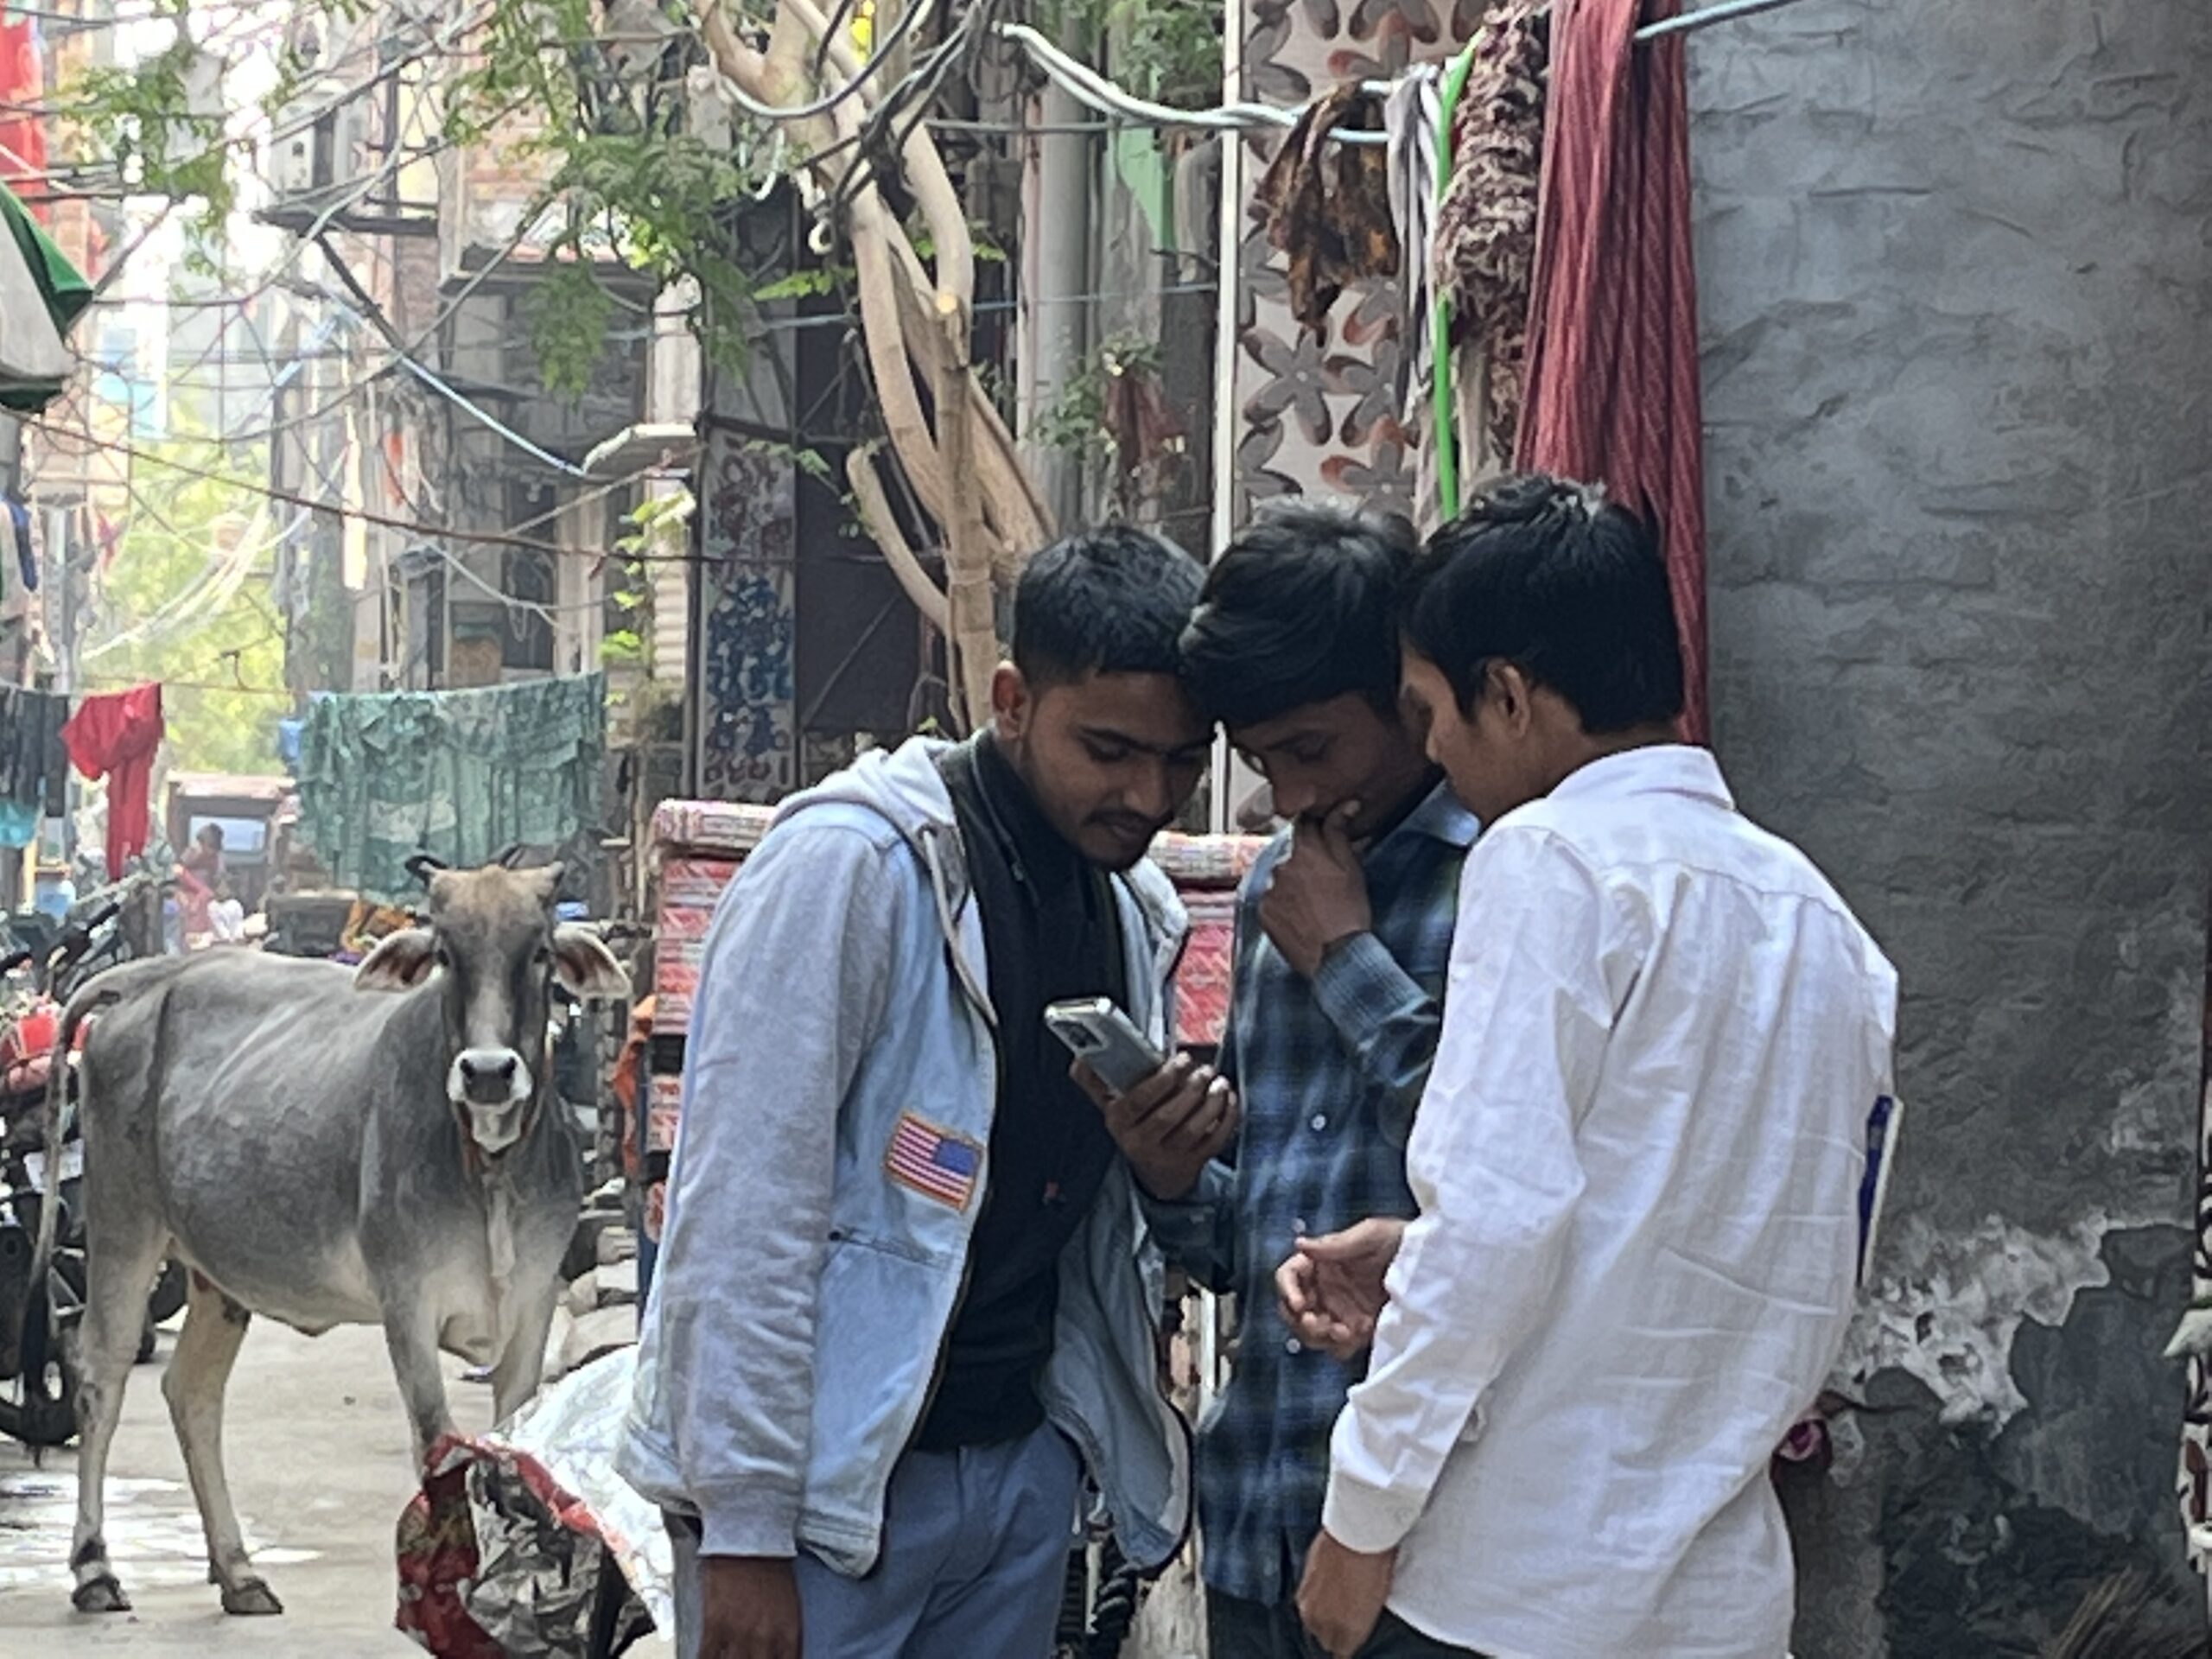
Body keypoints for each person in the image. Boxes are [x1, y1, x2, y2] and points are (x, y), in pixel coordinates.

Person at [1284, 475, 1898, 1659]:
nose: (1437, 758)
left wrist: (1358, 1519)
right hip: (1718, 1607)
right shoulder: (1828, 930)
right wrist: (1418, 1257)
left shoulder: (1549, 862)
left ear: (1506, 696)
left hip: (1507, 1594)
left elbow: (1499, 1223)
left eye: (1433, 716)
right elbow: (1767, 1248)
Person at [620, 525, 1218, 1659]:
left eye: (1182, 760)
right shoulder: (853, 867)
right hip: (822, 1506)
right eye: (1109, 749)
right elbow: (743, 1210)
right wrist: (746, 1531)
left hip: (1015, 1483)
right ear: (1010, 700)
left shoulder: (1133, 908)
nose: (1150, 794)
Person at [1090, 502, 1474, 1659]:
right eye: (1263, 764)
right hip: (1260, 1511)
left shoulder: (1506, 876)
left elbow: (1507, 1179)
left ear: (1411, 699)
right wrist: (1169, 1183)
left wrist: (1351, 962)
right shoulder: (1274, 893)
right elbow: (1253, 1244)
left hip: (1427, 1542)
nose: (1291, 797)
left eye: (1313, 751)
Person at [206, 880, 246, 945]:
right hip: (220, 942)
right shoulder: (212, 906)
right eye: (221, 887)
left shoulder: (235, 904)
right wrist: (227, 939)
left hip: (236, 941)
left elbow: (238, 922)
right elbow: (219, 926)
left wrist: (239, 936)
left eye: (225, 887)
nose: (223, 890)